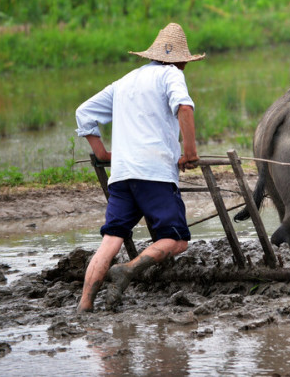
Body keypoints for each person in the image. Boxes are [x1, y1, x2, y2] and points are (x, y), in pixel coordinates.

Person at [74, 22, 205, 312]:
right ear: (182, 60)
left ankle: (84, 306)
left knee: (111, 240)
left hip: (121, 176)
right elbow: (184, 108)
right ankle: (129, 270)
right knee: (177, 239)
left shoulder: (124, 82)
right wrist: (190, 154)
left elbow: (84, 113)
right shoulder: (171, 74)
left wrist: (104, 154)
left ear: (151, 55)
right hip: (154, 173)